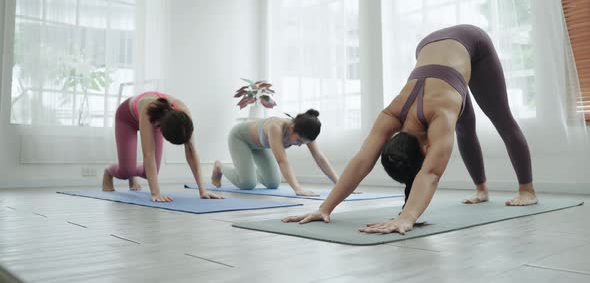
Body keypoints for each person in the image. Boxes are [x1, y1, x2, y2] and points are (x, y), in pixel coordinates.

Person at [283, 24, 537, 234]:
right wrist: (325, 208)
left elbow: (431, 173)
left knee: (502, 119)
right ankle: (482, 189)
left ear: (425, 148)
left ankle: (527, 190)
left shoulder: (438, 115)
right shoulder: (393, 114)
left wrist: (407, 217)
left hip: (472, 42)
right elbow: (362, 161)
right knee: (466, 129)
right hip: (428, 46)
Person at [103, 91, 223, 202]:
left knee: (148, 173)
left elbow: (191, 150)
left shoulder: (184, 113)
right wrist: (156, 193)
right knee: (126, 171)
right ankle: (109, 172)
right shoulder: (148, 109)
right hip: (127, 118)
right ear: (163, 131)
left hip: (158, 119)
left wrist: (203, 190)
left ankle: (132, 174)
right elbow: (148, 155)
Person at [211, 109, 341, 196]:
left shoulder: (305, 132)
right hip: (240, 138)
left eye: (304, 143)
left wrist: (340, 184)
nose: (300, 145)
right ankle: (219, 166)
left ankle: (248, 172)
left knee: (273, 183)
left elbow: (320, 158)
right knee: (247, 184)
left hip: (260, 146)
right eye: (299, 140)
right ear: (292, 128)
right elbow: (282, 161)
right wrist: (298, 189)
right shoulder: (276, 127)